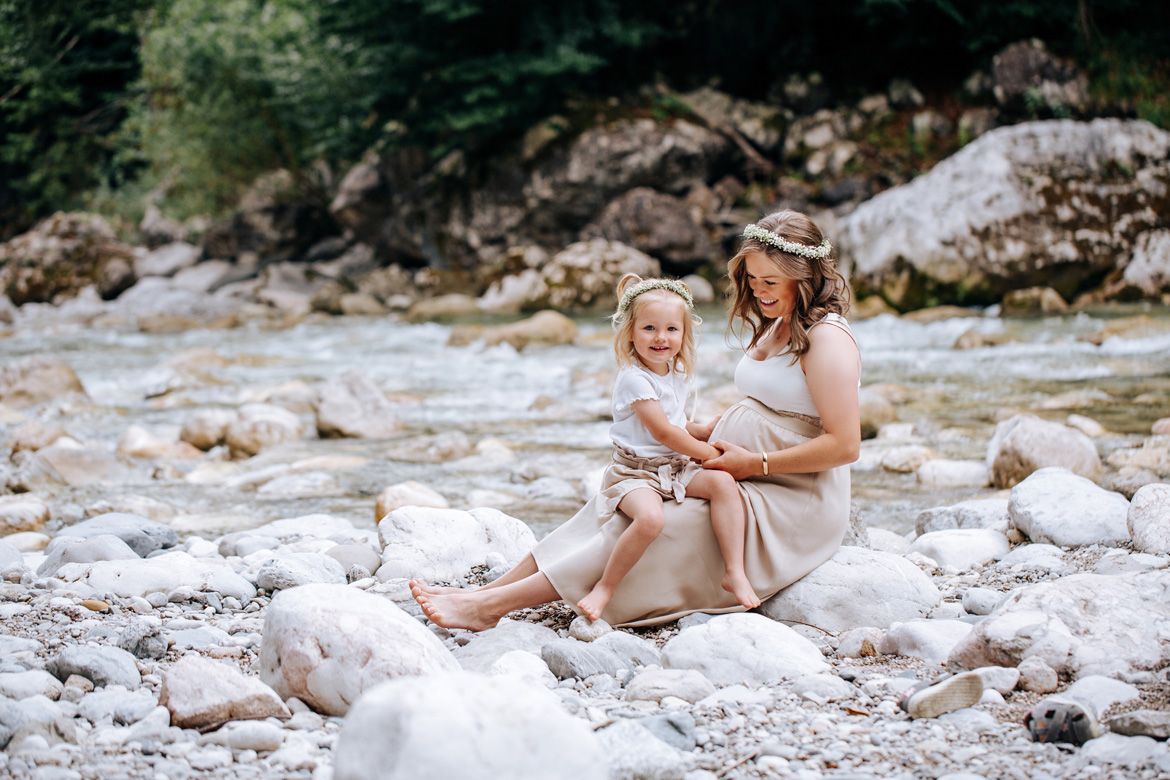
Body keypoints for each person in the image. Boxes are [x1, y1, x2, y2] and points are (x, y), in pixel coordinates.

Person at [411, 209, 860, 631]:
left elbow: (844, 446)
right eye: (753, 278)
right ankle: (489, 590)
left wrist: (755, 463)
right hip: (742, 468)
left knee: (662, 523)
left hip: (792, 494)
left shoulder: (827, 340)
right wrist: (710, 430)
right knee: (613, 501)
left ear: (805, 277)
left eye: (771, 281)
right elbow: (774, 405)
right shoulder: (779, 320)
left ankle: (489, 609)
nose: (759, 290)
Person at [576, 273, 759, 623]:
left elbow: (676, 424)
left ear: (684, 334)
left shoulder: (673, 372)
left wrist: (702, 430)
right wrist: (709, 454)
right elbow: (662, 432)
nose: (661, 338)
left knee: (723, 484)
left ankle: (733, 570)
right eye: (649, 328)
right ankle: (605, 587)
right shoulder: (634, 378)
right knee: (650, 519)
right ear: (630, 331)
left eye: (671, 329)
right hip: (636, 474)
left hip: (672, 469)